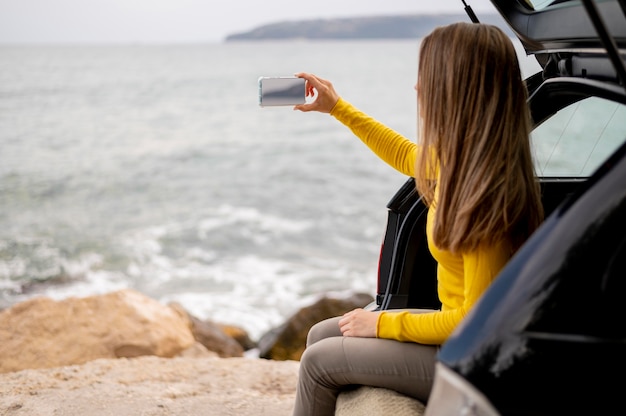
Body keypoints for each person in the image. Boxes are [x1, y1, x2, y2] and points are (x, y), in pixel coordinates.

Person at [290, 22, 544, 415]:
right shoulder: (458, 162)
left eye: (425, 76)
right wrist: (337, 108)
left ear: (454, 87)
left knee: (318, 363)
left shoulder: (486, 197)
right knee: (321, 332)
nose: (416, 87)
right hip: (456, 338)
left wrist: (381, 325)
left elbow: (473, 322)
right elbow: (406, 154)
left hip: (474, 361)